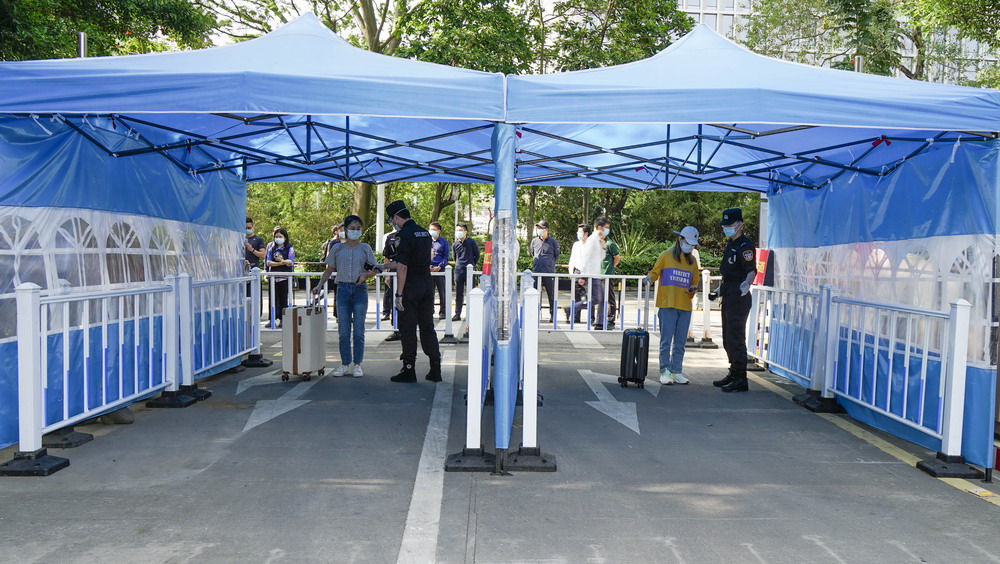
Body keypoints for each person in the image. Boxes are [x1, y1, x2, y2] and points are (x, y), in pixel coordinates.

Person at [381, 200, 442, 383]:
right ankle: (435, 369)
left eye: (391, 219)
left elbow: (403, 266)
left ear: (396, 217)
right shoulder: (424, 232)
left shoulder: (403, 235)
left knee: (407, 328)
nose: (392, 223)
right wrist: (382, 266)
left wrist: (399, 294)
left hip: (411, 288)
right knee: (427, 327)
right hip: (426, 285)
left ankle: (409, 370)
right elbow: (415, 260)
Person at [314, 215, 379, 378]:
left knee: (358, 331)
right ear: (345, 229)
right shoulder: (337, 248)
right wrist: (319, 285)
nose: (355, 231)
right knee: (343, 332)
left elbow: (376, 269)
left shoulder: (365, 248)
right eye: (352, 228)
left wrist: (366, 275)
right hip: (342, 289)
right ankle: (344, 364)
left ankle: (357, 364)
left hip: (359, 290)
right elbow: (329, 270)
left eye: (358, 228)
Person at [648, 226, 702, 385]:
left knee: (680, 343)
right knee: (666, 342)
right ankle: (665, 371)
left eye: (692, 245)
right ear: (680, 239)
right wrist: (649, 279)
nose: (690, 247)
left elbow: (694, 282)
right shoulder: (666, 256)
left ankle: (676, 371)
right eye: (688, 243)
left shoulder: (692, 261)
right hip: (667, 305)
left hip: (685, 306)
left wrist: (693, 289)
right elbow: (655, 272)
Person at [713, 208, 757, 393]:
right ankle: (733, 371)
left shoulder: (745, 245)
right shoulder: (730, 244)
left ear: (740, 225)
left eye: (729, 225)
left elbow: (751, 270)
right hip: (729, 292)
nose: (726, 228)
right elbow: (728, 274)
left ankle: (740, 378)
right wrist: (718, 290)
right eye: (724, 225)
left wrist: (747, 284)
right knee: (727, 337)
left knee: (736, 337)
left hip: (739, 295)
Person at [579, 218, 608, 329]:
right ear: (600, 227)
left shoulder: (598, 240)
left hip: (596, 274)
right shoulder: (591, 240)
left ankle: (600, 323)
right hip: (590, 274)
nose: (607, 230)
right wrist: (582, 275)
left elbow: (601, 257)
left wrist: (603, 247)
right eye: (606, 227)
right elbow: (585, 257)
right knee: (596, 299)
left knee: (601, 298)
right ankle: (572, 308)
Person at [529, 220, 559, 323]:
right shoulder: (534, 241)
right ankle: (535, 314)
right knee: (535, 294)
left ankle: (553, 315)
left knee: (551, 294)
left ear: (547, 229)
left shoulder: (553, 242)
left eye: (541, 228)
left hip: (548, 272)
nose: (539, 230)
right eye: (538, 228)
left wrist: (548, 264)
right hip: (536, 271)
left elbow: (556, 255)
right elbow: (532, 253)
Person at [265, 227, 294, 328]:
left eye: (280, 236)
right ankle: (272, 319)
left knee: (283, 299)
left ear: (285, 238)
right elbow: (268, 262)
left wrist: (281, 261)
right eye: (276, 236)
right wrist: (281, 263)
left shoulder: (289, 248)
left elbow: (290, 262)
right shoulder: (271, 247)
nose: (278, 238)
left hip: (284, 278)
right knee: (272, 299)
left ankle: (283, 319)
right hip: (273, 277)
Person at [452, 222, 479, 322]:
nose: (458, 232)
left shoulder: (471, 242)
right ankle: (457, 314)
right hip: (458, 271)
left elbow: (477, 255)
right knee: (458, 293)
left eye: (461, 230)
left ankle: (472, 314)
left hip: (469, 270)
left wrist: (472, 264)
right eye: (457, 230)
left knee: (471, 293)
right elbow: (455, 257)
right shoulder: (455, 244)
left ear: (465, 232)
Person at [565, 223, 591, 323]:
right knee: (577, 295)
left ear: (586, 233)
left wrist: (584, 276)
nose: (578, 233)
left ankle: (591, 317)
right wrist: (571, 272)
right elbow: (572, 258)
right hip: (577, 272)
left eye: (580, 232)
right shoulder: (576, 245)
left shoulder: (591, 245)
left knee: (588, 296)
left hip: (588, 272)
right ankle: (576, 317)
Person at [599, 219, 621, 328]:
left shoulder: (610, 244)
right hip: (598, 274)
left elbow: (617, 258)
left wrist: (611, 267)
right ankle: (600, 319)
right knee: (600, 298)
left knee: (610, 298)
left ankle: (611, 320)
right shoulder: (596, 243)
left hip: (607, 275)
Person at [320, 223, 344, 316]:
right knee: (338, 295)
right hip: (336, 273)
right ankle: (338, 315)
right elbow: (329, 258)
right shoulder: (334, 243)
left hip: (348, 274)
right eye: (341, 230)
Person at [244, 217, 266, 315]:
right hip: (242, 272)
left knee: (255, 294)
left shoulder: (258, 240)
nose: (247, 229)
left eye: (249, 227)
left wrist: (252, 249)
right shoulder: (239, 239)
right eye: (245, 228)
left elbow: (263, 255)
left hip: (254, 270)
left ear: (252, 226)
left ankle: (257, 314)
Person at [428, 221, 450, 320]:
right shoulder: (427, 241)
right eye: (430, 229)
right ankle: (430, 311)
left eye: (434, 229)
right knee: (429, 291)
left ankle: (443, 312)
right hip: (429, 269)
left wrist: (440, 267)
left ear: (439, 231)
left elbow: (446, 257)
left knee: (442, 291)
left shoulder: (444, 242)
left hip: (440, 269)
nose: (431, 231)